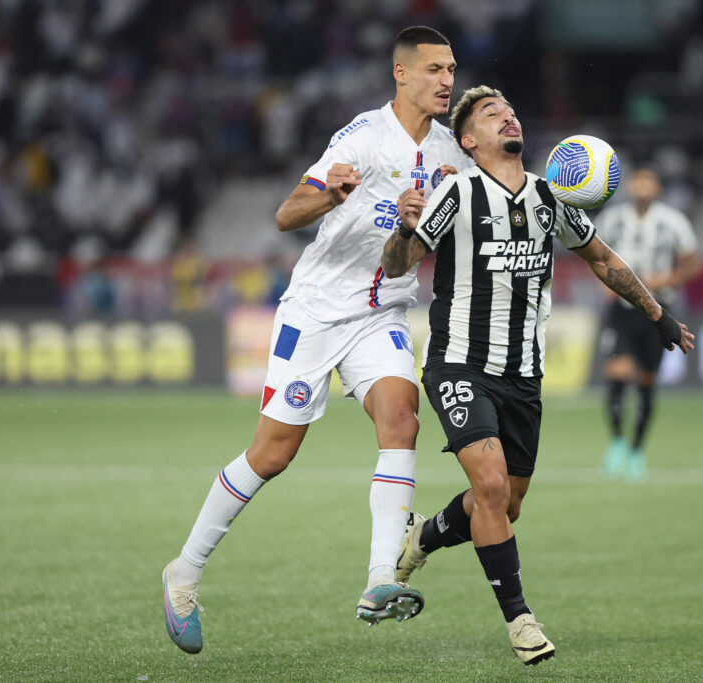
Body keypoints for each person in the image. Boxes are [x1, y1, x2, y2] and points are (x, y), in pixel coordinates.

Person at [161, 26, 472, 655]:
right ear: (401, 73)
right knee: (272, 454)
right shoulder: (361, 138)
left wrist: (420, 225)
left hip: (382, 311)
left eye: (452, 69)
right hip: (317, 311)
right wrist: (331, 193)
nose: (446, 81)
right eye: (435, 69)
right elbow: (286, 214)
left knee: (402, 419)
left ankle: (380, 579)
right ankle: (184, 571)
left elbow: (413, 256)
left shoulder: (452, 157)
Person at [381, 86, 694, 665]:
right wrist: (403, 228)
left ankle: (423, 536)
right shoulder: (457, 192)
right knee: (492, 487)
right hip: (460, 364)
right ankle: (521, 619)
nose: (508, 115)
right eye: (491, 113)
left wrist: (659, 316)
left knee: (506, 503)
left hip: (523, 375)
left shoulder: (551, 199)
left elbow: (603, 258)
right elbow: (399, 262)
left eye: (511, 110)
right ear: (469, 140)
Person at [597, 168, 699, 480]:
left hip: (658, 308)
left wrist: (667, 279)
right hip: (623, 308)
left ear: (657, 188)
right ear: (630, 186)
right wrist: (604, 281)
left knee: (646, 381)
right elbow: (594, 253)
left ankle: (637, 450)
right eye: (637, 181)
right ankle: (616, 442)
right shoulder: (613, 218)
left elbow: (693, 262)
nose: (642, 187)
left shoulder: (673, 221)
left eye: (648, 181)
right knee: (616, 372)